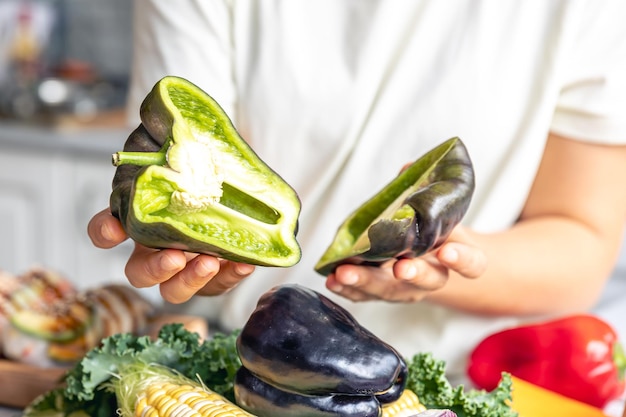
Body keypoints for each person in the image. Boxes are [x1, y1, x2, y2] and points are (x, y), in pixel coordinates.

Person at [88, 0, 626, 386]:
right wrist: (188, 257)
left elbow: (581, 238)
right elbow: (194, 162)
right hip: (256, 368)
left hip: (462, 380)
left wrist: (437, 267)